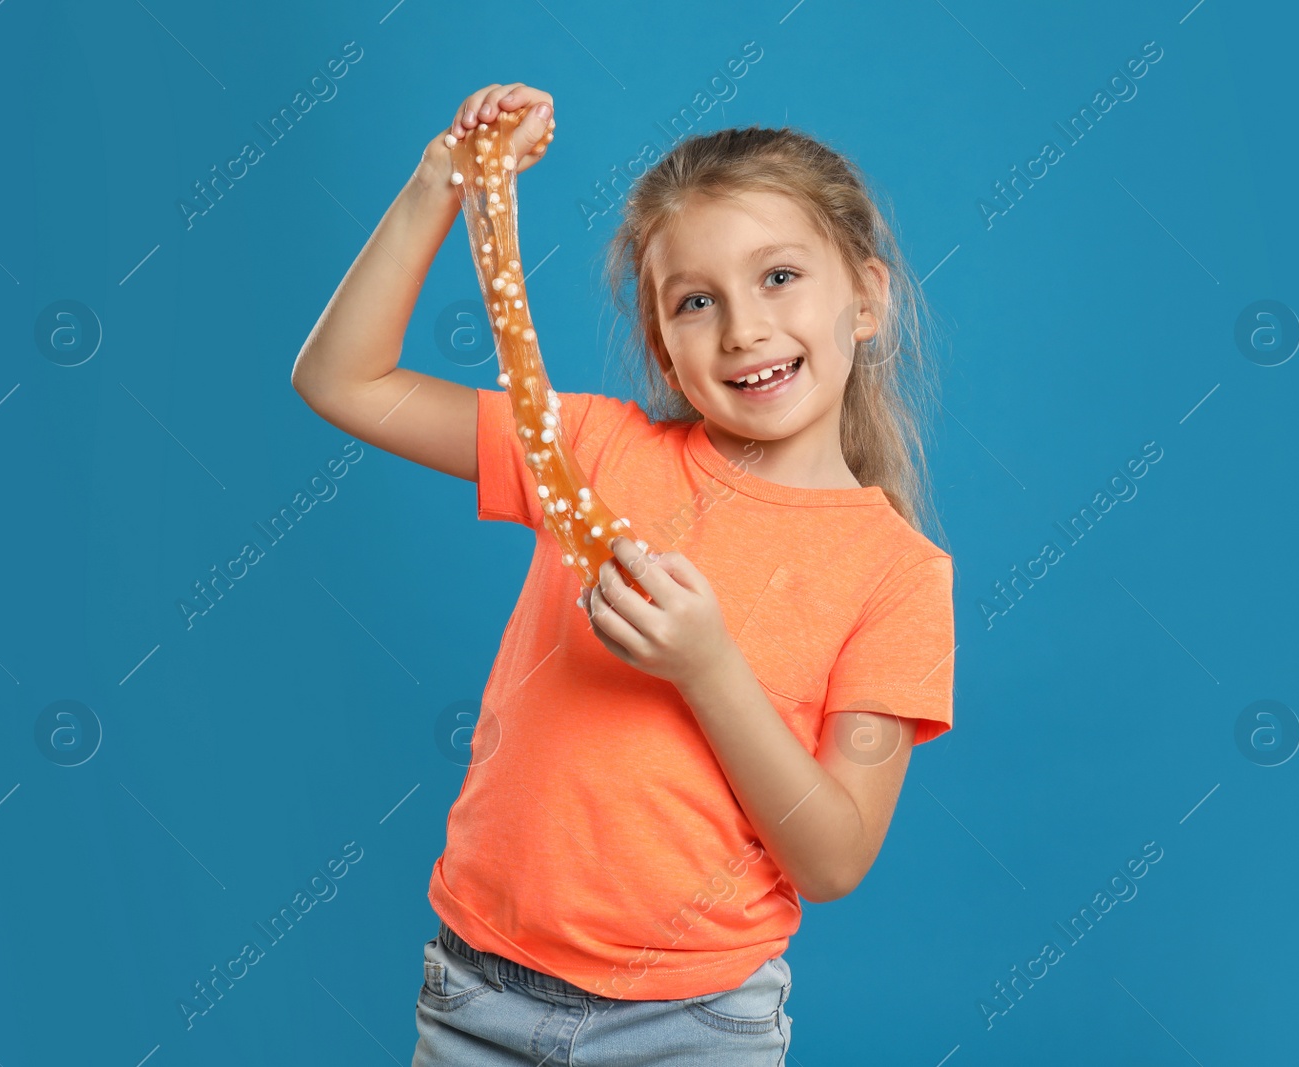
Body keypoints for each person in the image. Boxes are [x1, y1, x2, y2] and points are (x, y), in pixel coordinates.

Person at [292, 81, 957, 1066]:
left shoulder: (898, 575)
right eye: (696, 301)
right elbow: (343, 379)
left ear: (865, 299)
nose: (741, 327)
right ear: (663, 347)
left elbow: (833, 855)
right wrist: (441, 183)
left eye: (779, 276)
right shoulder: (596, 449)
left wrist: (708, 667)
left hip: (694, 1026)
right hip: (481, 987)